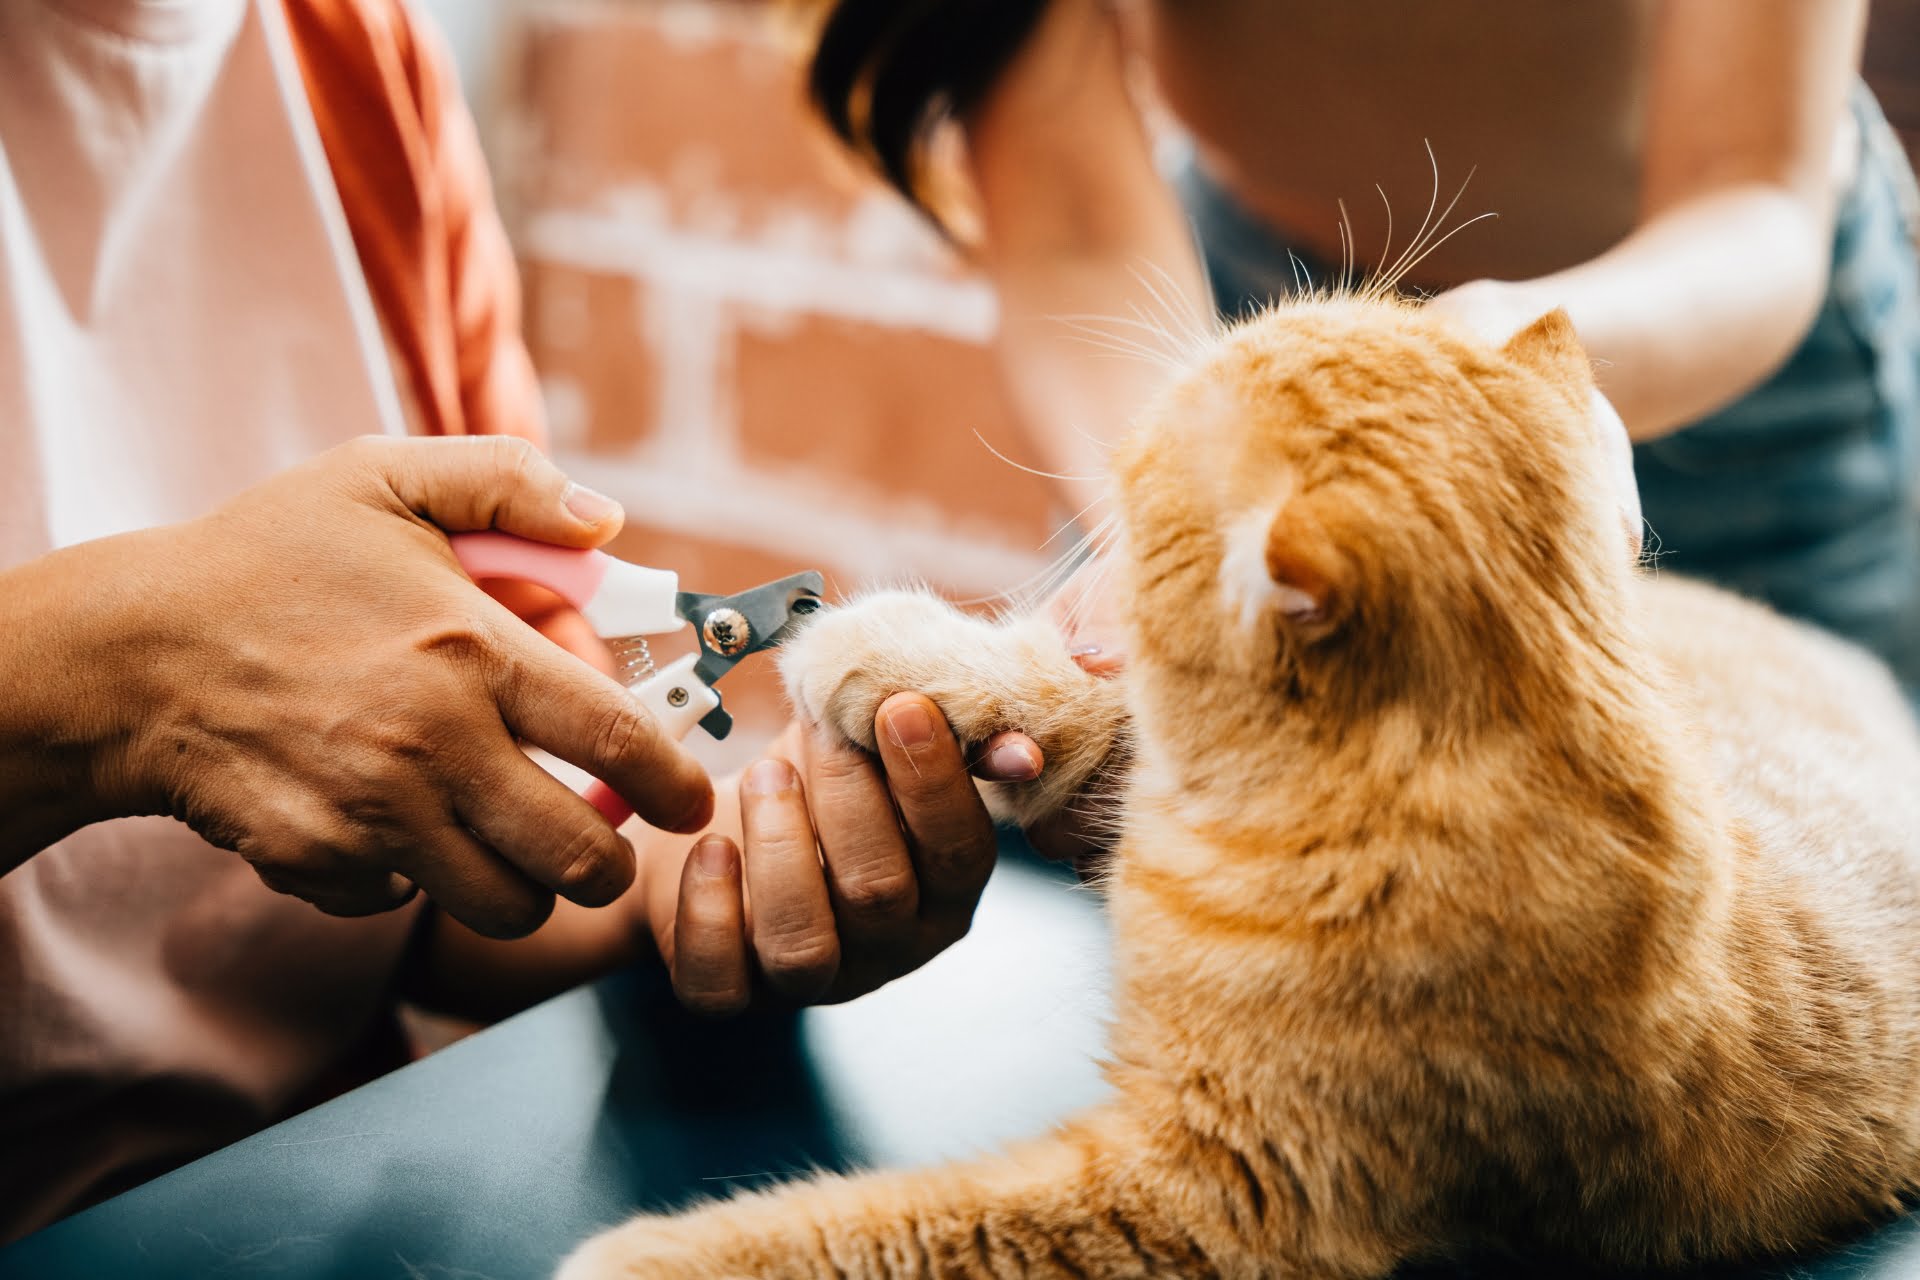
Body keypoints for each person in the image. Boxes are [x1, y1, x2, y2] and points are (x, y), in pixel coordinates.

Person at [0, 0, 1021, 1241]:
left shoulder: (356, 53)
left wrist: (719, 881)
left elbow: (474, 864)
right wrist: (108, 679)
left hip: (296, 1204)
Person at [808, 0, 1920, 701]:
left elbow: (1752, 194)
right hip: (1233, 319)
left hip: (1732, 383)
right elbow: (1081, 237)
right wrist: (1185, 530)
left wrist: (1500, 365)